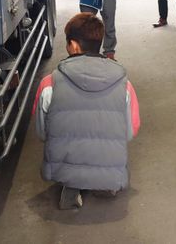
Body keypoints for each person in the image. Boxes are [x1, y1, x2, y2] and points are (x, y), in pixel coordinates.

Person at [35, 13, 139, 210]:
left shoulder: (49, 84)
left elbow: (42, 133)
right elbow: (129, 132)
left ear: (74, 46)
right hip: (109, 163)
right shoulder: (124, 84)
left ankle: (71, 187)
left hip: (64, 166)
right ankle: (105, 182)